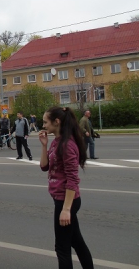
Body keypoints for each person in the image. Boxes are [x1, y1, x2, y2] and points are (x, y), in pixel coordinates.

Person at [38, 106, 93, 269]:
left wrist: (66, 209)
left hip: (66, 201)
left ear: (57, 122)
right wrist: (43, 145)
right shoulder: (56, 141)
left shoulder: (67, 144)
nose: (43, 126)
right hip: (61, 200)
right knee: (77, 242)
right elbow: (44, 167)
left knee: (62, 248)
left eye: (45, 122)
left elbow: (72, 179)